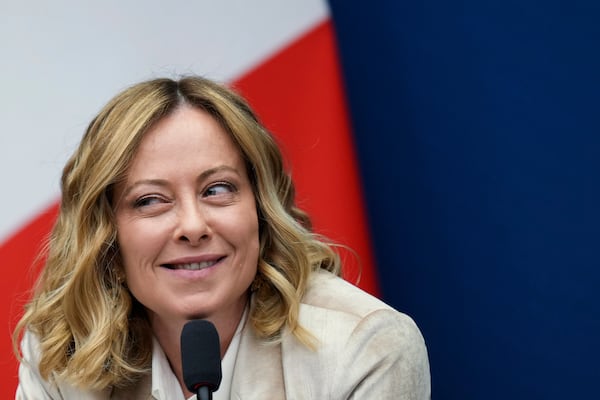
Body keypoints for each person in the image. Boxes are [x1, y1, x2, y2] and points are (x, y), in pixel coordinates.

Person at [13, 76, 431, 399]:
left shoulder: (363, 347)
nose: (193, 227)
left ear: (261, 210)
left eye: (217, 189)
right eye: (151, 200)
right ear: (107, 236)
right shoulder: (62, 351)